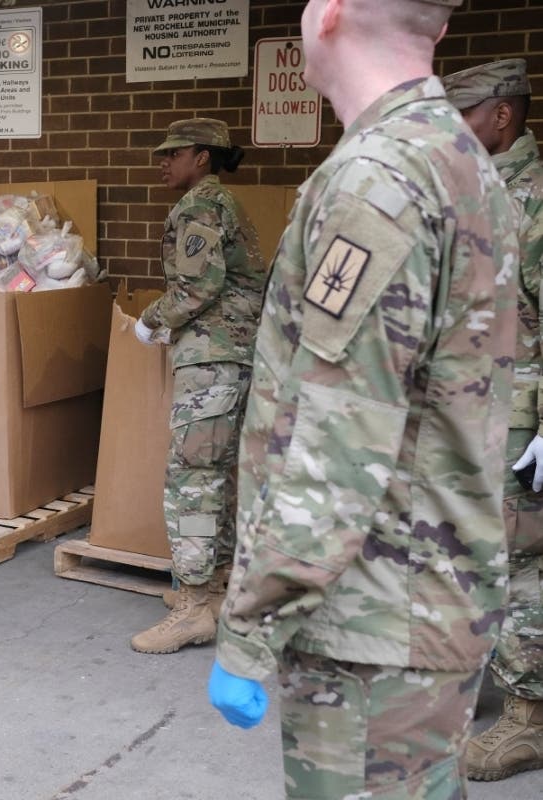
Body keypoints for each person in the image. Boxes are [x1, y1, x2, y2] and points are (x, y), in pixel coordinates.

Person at [206, 1, 521, 797]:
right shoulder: (454, 156)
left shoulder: (376, 181)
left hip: (372, 622)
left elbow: (337, 438)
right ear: (437, 30)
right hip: (424, 599)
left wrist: (248, 623)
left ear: (330, 14)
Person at [442, 57, 543, 783]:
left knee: (521, 565)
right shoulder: (478, 192)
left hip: (519, 411)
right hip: (470, 409)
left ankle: (528, 716)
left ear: (501, 115)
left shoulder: (532, 198)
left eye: (465, 111)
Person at [130, 118, 266, 654]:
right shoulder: (222, 203)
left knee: (192, 477)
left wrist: (149, 319)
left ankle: (192, 607)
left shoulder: (200, 206)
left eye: (173, 153)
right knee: (220, 474)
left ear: (202, 157)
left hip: (211, 358)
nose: (162, 162)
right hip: (232, 357)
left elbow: (195, 287)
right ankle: (215, 587)